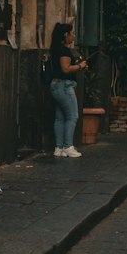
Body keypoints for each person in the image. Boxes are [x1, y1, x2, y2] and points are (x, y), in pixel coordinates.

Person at [50, 20, 87, 159]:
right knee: (72, 116)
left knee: (60, 118)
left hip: (55, 85)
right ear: (66, 35)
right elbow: (65, 69)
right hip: (64, 86)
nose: (73, 36)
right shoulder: (64, 51)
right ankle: (68, 146)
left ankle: (59, 148)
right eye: (72, 33)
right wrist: (80, 66)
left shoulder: (55, 48)